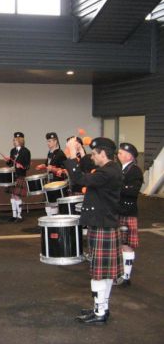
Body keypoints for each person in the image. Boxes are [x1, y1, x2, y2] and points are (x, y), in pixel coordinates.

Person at [64, 137, 123, 325]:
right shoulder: (111, 168)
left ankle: (99, 312)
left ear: (103, 154)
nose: (92, 157)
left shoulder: (107, 173)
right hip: (104, 224)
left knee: (98, 273)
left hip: (103, 226)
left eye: (95, 153)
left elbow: (80, 178)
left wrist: (72, 156)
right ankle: (101, 308)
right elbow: (89, 165)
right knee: (104, 273)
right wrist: (81, 152)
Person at [115, 142, 143, 287]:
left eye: (121, 152)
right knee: (120, 245)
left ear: (129, 156)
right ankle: (121, 273)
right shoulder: (121, 168)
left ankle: (126, 276)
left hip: (127, 211)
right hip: (118, 210)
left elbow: (132, 192)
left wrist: (115, 186)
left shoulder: (135, 171)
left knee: (127, 245)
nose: (118, 154)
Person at [5, 132, 31, 223]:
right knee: (12, 195)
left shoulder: (26, 151)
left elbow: (28, 166)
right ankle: (14, 215)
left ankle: (19, 216)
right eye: (14, 140)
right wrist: (8, 161)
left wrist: (22, 166)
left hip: (20, 175)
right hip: (12, 175)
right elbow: (11, 164)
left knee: (17, 196)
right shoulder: (13, 151)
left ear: (20, 140)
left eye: (15, 140)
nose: (14, 141)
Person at [39, 132, 66, 216]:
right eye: (47, 141)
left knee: (54, 203)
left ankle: (54, 222)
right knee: (48, 202)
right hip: (50, 180)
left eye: (50, 141)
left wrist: (53, 169)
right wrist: (43, 165)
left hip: (57, 182)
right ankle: (49, 220)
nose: (48, 143)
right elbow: (48, 164)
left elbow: (64, 169)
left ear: (55, 141)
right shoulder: (50, 152)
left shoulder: (60, 153)